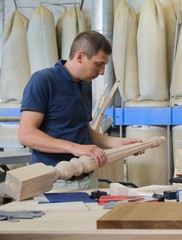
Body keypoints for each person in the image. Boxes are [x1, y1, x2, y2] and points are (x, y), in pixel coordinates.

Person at [19, 30, 143, 190]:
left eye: (104, 66)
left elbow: (84, 129)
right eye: (98, 64)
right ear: (80, 56)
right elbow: (26, 135)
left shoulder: (84, 85)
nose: (102, 72)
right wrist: (74, 147)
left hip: (87, 177)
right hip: (54, 181)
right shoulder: (43, 81)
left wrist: (117, 143)